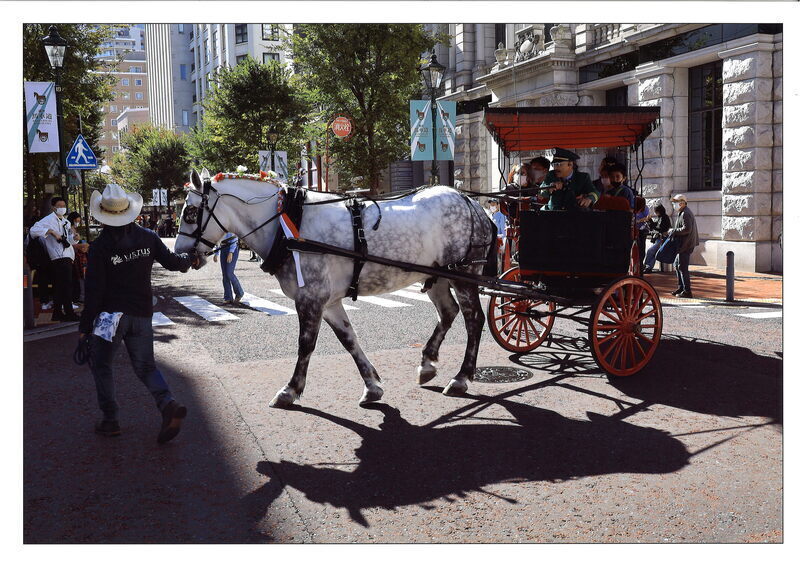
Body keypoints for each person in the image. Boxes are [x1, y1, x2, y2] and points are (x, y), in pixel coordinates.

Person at [79, 184, 198, 442]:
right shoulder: (148, 237)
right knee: (145, 366)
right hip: (142, 311)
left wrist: (84, 327)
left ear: (102, 214)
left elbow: (94, 292)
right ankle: (167, 403)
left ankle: (110, 419)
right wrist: (190, 259)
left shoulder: (100, 247)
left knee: (101, 364)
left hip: (110, 317)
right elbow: (173, 263)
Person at [29, 196, 80, 321]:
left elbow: (69, 240)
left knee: (60, 286)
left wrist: (75, 238)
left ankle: (57, 312)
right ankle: (69, 312)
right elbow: (33, 230)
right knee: (66, 285)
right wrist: (51, 231)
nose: (62, 208)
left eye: (63, 206)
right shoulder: (48, 220)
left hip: (68, 255)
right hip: (58, 256)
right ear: (53, 207)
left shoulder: (66, 222)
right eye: (59, 206)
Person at [667, 194, 699, 298]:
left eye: (675, 202)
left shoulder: (685, 213)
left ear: (682, 203)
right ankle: (681, 288)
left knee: (682, 267)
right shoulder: (682, 212)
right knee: (677, 266)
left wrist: (673, 231)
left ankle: (687, 291)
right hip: (683, 244)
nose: (673, 204)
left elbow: (687, 229)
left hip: (686, 245)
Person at [214, 231, 245, 304]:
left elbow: (235, 238)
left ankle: (239, 293)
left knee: (229, 273)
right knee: (225, 274)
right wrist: (216, 253)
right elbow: (218, 239)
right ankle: (228, 298)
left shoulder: (229, 222)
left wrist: (231, 252)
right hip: (223, 248)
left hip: (232, 248)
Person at [67, 212, 90, 303]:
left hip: (78, 255)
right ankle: (80, 296)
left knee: (82, 276)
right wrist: (80, 246)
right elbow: (70, 244)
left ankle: (82, 295)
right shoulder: (69, 229)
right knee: (79, 277)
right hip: (74, 256)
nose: (78, 221)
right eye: (77, 220)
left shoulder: (74, 229)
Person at [643, 203, 672, 273]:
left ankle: (646, 266)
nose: (655, 213)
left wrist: (651, 223)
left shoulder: (664, 218)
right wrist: (649, 220)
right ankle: (648, 267)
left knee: (650, 251)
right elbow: (654, 225)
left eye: (656, 211)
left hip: (662, 239)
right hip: (659, 239)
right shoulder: (660, 217)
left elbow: (659, 228)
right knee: (653, 252)